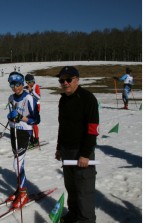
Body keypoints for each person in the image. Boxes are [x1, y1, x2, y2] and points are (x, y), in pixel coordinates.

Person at [54, 66, 98, 223]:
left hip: (82, 153)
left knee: (84, 191)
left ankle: (86, 219)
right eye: (61, 80)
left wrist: (85, 154)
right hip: (66, 151)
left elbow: (93, 130)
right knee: (71, 187)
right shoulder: (63, 99)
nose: (65, 83)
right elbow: (62, 125)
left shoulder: (87, 98)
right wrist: (59, 147)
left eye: (68, 79)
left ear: (77, 80)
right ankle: (73, 215)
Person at [6, 72, 40, 209]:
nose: (15, 88)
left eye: (18, 84)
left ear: (22, 83)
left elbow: (36, 119)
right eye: (12, 85)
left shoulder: (29, 98)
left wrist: (21, 118)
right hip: (13, 131)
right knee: (18, 163)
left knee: (17, 164)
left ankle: (24, 193)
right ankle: (20, 189)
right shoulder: (10, 98)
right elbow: (11, 116)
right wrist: (11, 117)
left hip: (24, 132)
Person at [24, 74, 41, 146]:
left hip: (36, 107)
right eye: (28, 82)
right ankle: (30, 138)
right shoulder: (26, 87)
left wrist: (31, 91)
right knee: (28, 123)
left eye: (32, 81)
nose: (31, 83)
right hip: (28, 108)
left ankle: (36, 139)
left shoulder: (36, 86)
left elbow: (38, 97)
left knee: (34, 123)